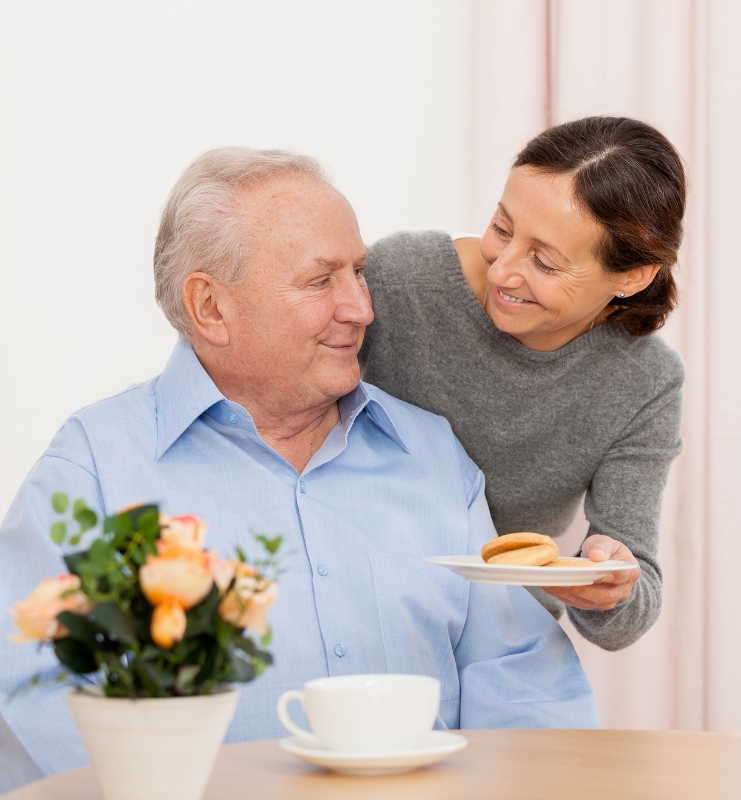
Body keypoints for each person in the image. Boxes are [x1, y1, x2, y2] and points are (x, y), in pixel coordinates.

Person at [0, 147, 597, 784]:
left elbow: (521, 677)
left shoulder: (431, 453)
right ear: (211, 308)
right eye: (321, 282)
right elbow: (32, 690)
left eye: (358, 273)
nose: (361, 308)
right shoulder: (93, 466)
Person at [361, 117, 686, 651]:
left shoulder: (643, 381)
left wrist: (607, 581)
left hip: (503, 635)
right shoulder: (401, 282)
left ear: (632, 276)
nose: (503, 271)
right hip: (369, 611)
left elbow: (633, 600)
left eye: (545, 261)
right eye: (502, 229)